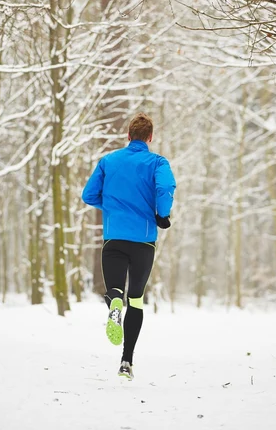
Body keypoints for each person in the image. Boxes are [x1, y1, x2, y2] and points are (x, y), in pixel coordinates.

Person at [82, 112, 176, 380]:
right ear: (150, 137)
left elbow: (88, 194)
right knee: (136, 299)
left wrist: (113, 208)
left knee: (114, 290)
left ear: (128, 136)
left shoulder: (108, 161)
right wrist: (161, 214)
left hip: (114, 239)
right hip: (143, 242)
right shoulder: (157, 162)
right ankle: (126, 362)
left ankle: (114, 304)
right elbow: (166, 187)